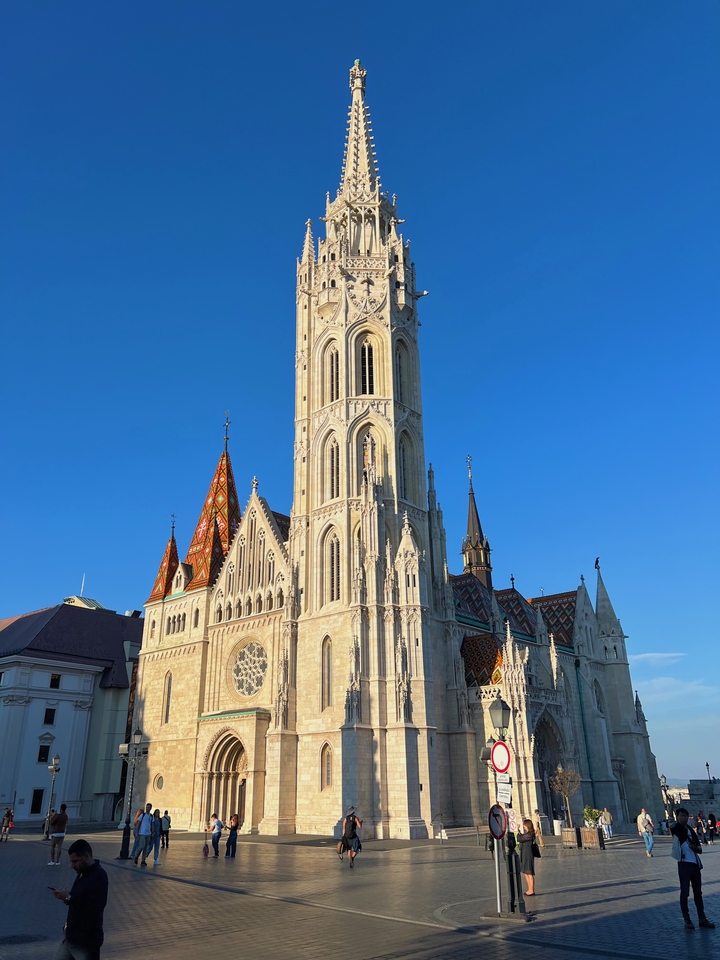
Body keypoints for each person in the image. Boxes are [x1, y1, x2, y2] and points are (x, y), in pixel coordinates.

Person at [50, 837, 109, 959]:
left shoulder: (98, 876)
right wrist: (65, 898)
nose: (72, 865)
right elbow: (78, 898)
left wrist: (69, 897)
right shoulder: (82, 873)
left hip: (86, 940)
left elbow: (94, 906)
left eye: (75, 861)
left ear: (86, 857)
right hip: (71, 937)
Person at [670, 807, 715, 930]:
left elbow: (699, 848)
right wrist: (671, 808)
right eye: (681, 816)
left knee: (698, 893)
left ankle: (702, 918)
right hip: (684, 864)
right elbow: (671, 825)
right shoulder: (676, 829)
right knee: (684, 893)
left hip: (694, 864)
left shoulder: (690, 829)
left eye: (685, 816)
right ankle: (687, 919)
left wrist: (695, 847)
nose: (684, 818)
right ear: (677, 817)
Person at [517, 819, 537, 896]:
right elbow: (521, 837)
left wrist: (517, 830)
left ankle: (532, 890)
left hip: (528, 854)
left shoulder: (530, 834)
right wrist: (518, 830)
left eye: (525, 825)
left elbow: (520, 838)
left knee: (529, 872)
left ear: (528, 825)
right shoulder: (527, 834)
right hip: (524, 853)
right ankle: (529, 888)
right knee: (525, 871)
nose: (524, 826)